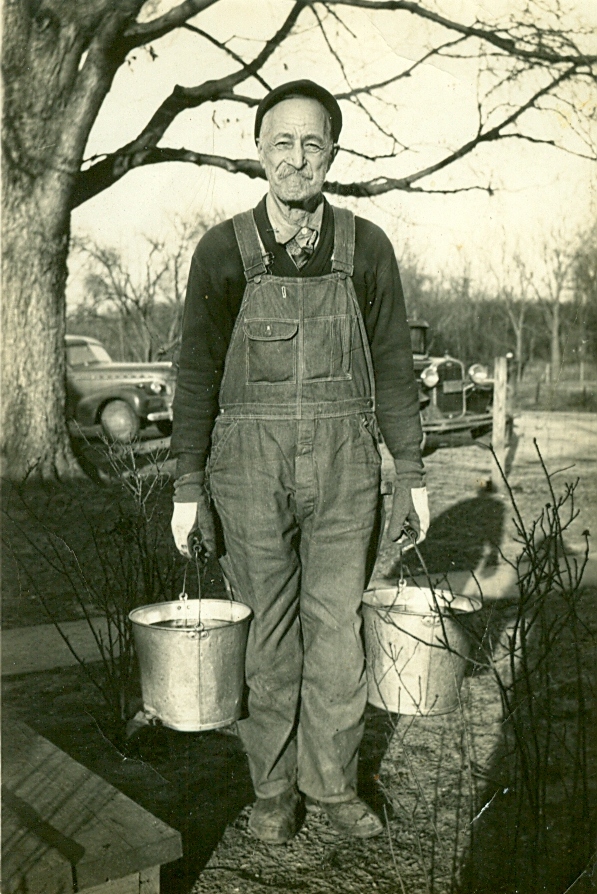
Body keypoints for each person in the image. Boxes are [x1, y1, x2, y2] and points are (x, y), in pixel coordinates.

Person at [170, 80, 429, 845]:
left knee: (339, 630)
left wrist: (410, 472)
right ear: (259, 152)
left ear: (333, 152)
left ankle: (332, 786)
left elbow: (391, 368)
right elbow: (194, 375)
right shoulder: (223, 249)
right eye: (281, 142)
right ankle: (273, 791)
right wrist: (188, 487)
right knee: (267, 638)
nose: (296, 157)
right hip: (247, 468)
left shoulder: (366, 247)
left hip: (347, 464)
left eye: (312, 142)